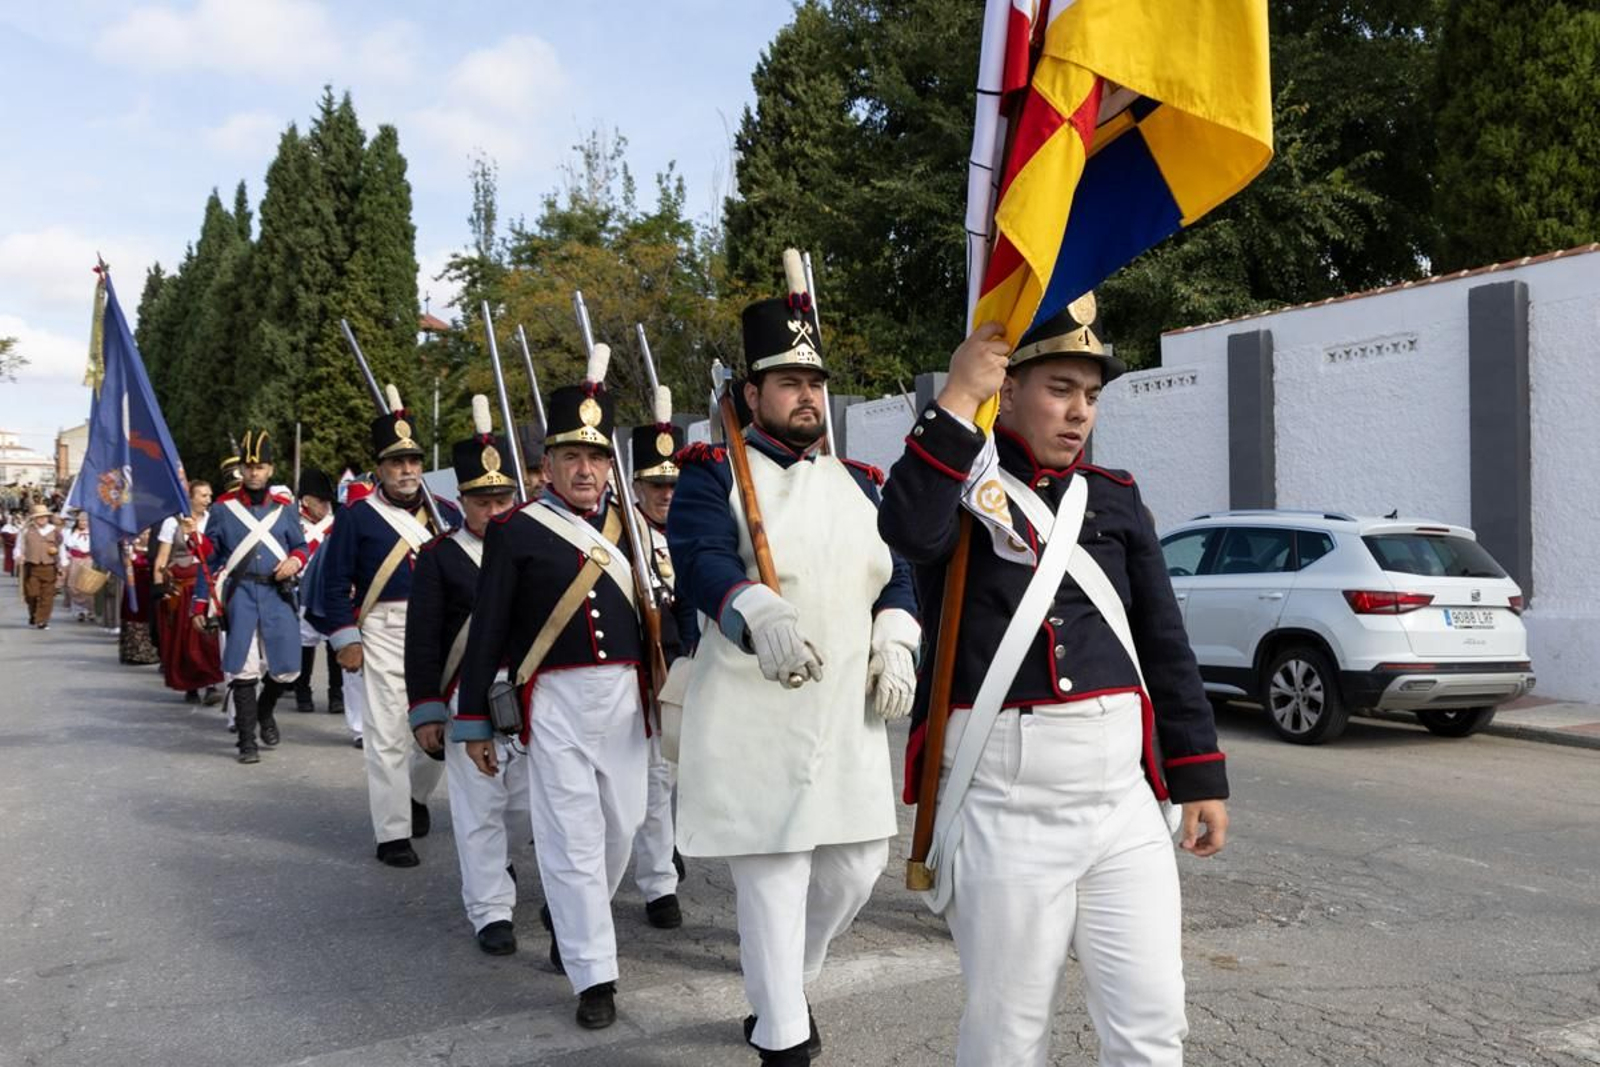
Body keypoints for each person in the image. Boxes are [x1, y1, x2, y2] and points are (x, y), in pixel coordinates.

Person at [877, 300, 1231, 1067]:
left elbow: (1163, 645)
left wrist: (1199, 773)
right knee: (1007, 1036)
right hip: (1007, 803)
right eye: (1060, 388)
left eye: (1092, 395)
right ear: (1008, 388)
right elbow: (907, 529)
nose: (1079, 412)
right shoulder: (959, 479)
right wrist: (955, 401)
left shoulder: (1115, 495)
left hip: (1121, 803)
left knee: (1152, 1022)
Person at [667, 283, 920, 1066]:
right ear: (752, 394)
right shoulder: (714, 474)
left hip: (845, 717)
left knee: (855, 868)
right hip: (755, 712)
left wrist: (896, 637)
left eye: (814, 383)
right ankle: (782, 1034)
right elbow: (701, 560)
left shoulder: (862, 481)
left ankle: (787, 979)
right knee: (773, 881)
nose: (807, 397)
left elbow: (898, 572)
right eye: (789, 383)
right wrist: (756, 610)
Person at [454, 344, 652, 1031]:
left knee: (622, 826)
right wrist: (474, 716)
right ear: (546, 466)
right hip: (555, 701)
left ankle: (573, 914)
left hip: (626, 698)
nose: (586, 469)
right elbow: (488, 629)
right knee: (571, 837)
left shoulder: (630, 526)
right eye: (572, 456)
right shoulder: (514, 531)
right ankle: (593, 971)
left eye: (596, 458)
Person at [405, 397, 530, 956]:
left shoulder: (536, 549)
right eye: (483, 500)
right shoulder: (438, 557)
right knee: (479, 812)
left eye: (504, 498)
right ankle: (490, 910)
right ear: (462, 502)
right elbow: (424, 638)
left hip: (533, 695)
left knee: (544, 809)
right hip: (467, 695)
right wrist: (427, 707)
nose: (495, 508)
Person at [316, 398, 459, 866]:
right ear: (380, 468)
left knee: (443, 732)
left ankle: (414, 796)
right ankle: (392, 832)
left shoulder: (446, 513)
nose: (407, 469)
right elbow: (334, 582)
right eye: (397, 462)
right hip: (385, 628)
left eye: (413, 460)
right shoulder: (357, 517)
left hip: (442, 630)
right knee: (388, 733)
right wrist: (345, 637)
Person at [192, 431, 307, 764]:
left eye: (261, 467)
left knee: (287, 669)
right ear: (241, 469)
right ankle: (247, 741)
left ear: (271, 470)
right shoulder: (223, 509)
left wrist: (295, 561)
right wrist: (200, 602)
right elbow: (209, 559)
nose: (255, 472)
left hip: (277, 594)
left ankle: (264, 710)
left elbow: (299, 545)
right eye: (249, 466)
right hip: (240, 595)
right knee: (243, 670)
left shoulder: (285, 509)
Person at [627, 386, 695, 930]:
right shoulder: (623, 539)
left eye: (673, 484)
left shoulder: (696, 534)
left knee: (681, 774)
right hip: (649, 665)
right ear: (636, 488)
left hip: (695, 663)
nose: (666, 495)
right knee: (655, 777)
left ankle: (668, 848)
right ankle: (658, 883)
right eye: (656, 485)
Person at [153, 480, 224, 705]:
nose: (208, 499)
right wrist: (159, 589)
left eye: (209, 495)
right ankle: (191, 685)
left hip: (206, 586)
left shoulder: (213, 520)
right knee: (184, 639)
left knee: (208, 637)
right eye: (203, 495)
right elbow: (162, 558)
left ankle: (211, 684)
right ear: (190, 497)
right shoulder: (171, 523)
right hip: (181, 589)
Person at [290, 469, 343, 716]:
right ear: (306, 500)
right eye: (320, 500)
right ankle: (303, 691)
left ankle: (336, 694)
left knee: (334, 642)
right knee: (305, 642)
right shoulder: (292, 523)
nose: (325, 505)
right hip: (301, 591)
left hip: (329, 590)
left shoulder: (337, 523)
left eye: (327, 500)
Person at [20, 505, 63, 629]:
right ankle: (34, 614)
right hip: (31, 566)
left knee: (47, 595)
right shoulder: (26, 530)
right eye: (39, 517)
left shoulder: (55, 531)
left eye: (44, 516)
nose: (42, 519)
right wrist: (18, 556)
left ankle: (42, 620)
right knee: (32, 594)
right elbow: (19, 546)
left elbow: (62, 548)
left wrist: (63, 564)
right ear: (34, 518)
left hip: (49, 566)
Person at [61, 513, 94, 622]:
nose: (83, 523)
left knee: (88, 585)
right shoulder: (70, 532)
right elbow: (66, 547)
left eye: (85, 521)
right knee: (73, 585)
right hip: (75, 561)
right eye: (81, 521)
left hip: (89, 560)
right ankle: (80, 610)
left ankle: (90, 610)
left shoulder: (93, 533)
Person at [2, 510, 18, 577]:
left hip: (17, 544)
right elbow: (5, 535)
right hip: (10, 545)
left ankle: (18, 571)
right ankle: (11, 570)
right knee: (10, 558)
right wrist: (14, 536)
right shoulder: (6, 527)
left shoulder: (18, 525)